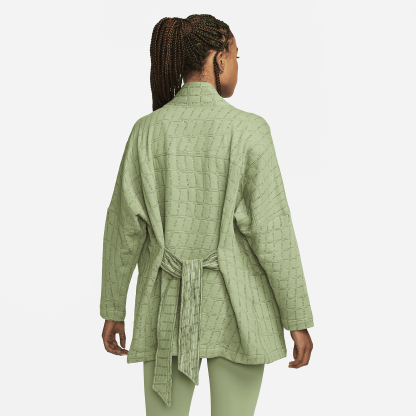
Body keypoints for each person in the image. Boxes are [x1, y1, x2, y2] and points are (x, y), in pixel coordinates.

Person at [100, 14, 314, 416]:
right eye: (236, 56)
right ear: (219, 59)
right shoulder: (249, 130)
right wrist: (296, 318)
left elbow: (123, 228)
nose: (237, 65)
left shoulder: (147, 131)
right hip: (239, 306)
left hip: (164, 304)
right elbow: (272, 232)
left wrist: (114, 309)